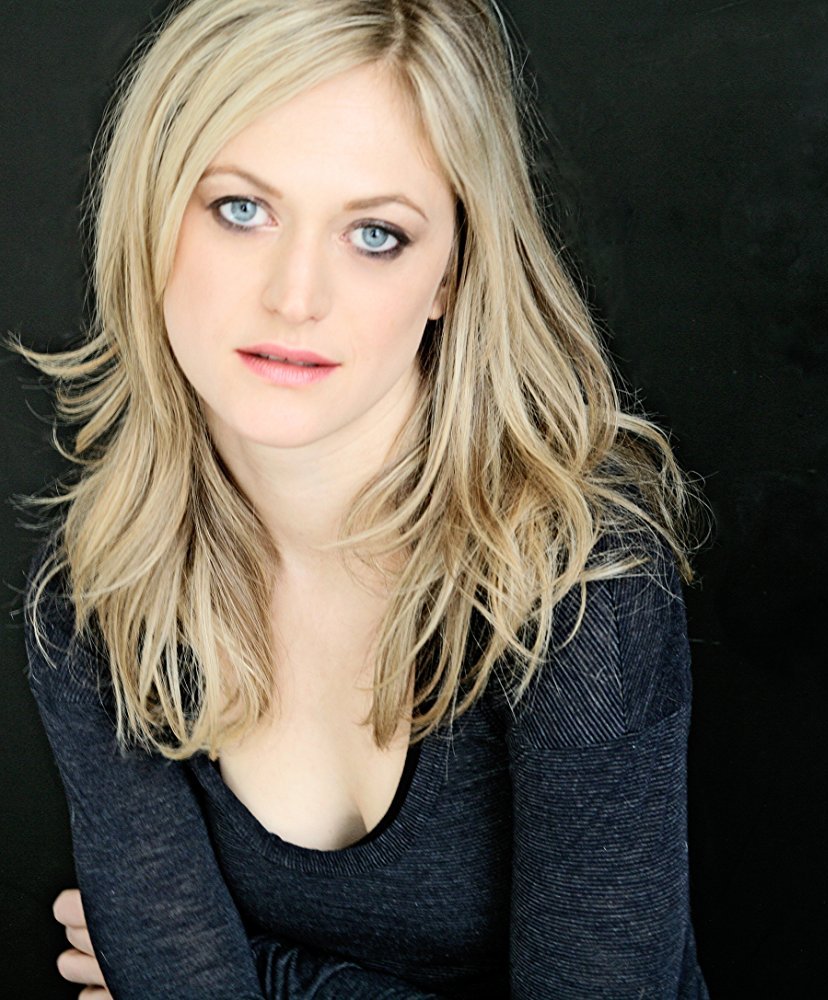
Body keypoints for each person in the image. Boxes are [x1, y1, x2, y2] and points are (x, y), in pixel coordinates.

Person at [19, 0, 709, 996]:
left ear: (449, 276)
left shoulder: (579, 594)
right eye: (241, 209)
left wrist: (268, 973)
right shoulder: (98, 599)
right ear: (151, 216)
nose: (296, 296)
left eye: (376, 233)